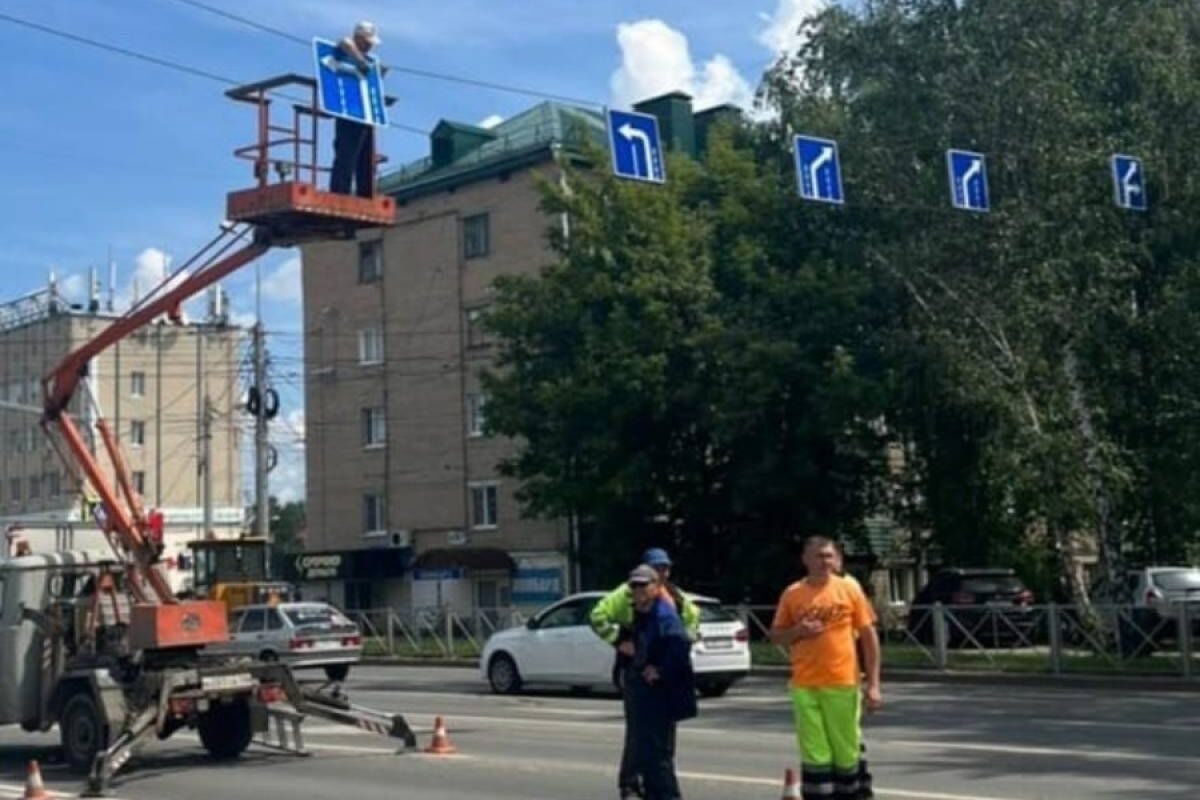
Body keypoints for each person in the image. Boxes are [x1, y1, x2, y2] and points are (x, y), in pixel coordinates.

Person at [770, 536, 882, 800]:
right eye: (818, 556)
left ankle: (852, 794)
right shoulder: (793, 593)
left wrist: (874, 685)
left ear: (836, 560)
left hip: (842, 682)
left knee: (846, 751)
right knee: (814, 752)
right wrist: (798, 631)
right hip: (804, 684)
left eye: (829, 556)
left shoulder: (849, 589)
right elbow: (775, 635)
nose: (824, 561)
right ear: (805, 559)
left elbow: (869, 637)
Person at [589, 548, 700, 799]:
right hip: (637, 673)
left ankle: (655, 790)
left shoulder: (668, 604)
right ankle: (632, 783)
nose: (662, 573)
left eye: (664, 569)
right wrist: (619, 641)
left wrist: (662, 668)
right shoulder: (629, 597)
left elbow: (683, 635)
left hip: (659, 682)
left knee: (656, 746)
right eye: (656, 568)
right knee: (642, 737)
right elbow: (597, 616)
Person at [627, 564, 696, 800]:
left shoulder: (664, 615)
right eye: (634, 585)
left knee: (658, 757)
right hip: (646, 695)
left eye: (643, 585)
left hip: (662, 695)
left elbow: (679, 649)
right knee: (647, 754)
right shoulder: (642, 613)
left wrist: (659, 671)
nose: (638, 590)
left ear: (656, 587)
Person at [833, 546, 873, 800]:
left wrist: (870, 674)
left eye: (832, 558)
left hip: (847, 670)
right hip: (821, 675)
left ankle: (859, 786)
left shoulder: (849, 586)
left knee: (849, 735)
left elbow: (867, 630)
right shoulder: (805, 588)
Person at [325, 21, 381, 197]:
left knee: (365, 156)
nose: (371, 45)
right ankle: (340, 192)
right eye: (368, 41)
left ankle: (365, 193)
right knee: (346, 153)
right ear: (359, 38)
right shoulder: (345, 52)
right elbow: (344, 42)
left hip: (365, 113)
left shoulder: (368, 61)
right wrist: (359, 61)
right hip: (347, 111)